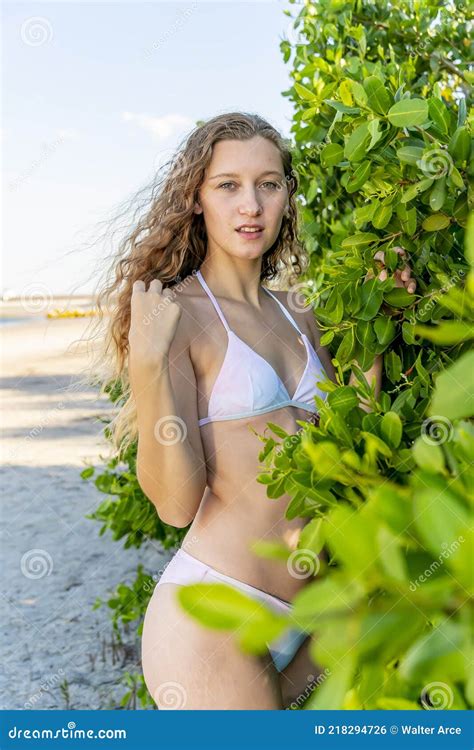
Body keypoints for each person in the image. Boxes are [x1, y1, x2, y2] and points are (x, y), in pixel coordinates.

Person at [101, 112, 415, 710]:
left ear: (286, 197)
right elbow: (174, 505)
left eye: (268, 184)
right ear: (196, 199)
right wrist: (146, 367)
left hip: (317, 615)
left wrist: (377, 330)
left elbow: (351, 446)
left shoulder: (300, 311)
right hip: (217, 614)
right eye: (228, 185)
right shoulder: (180, 315)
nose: (251, 204)